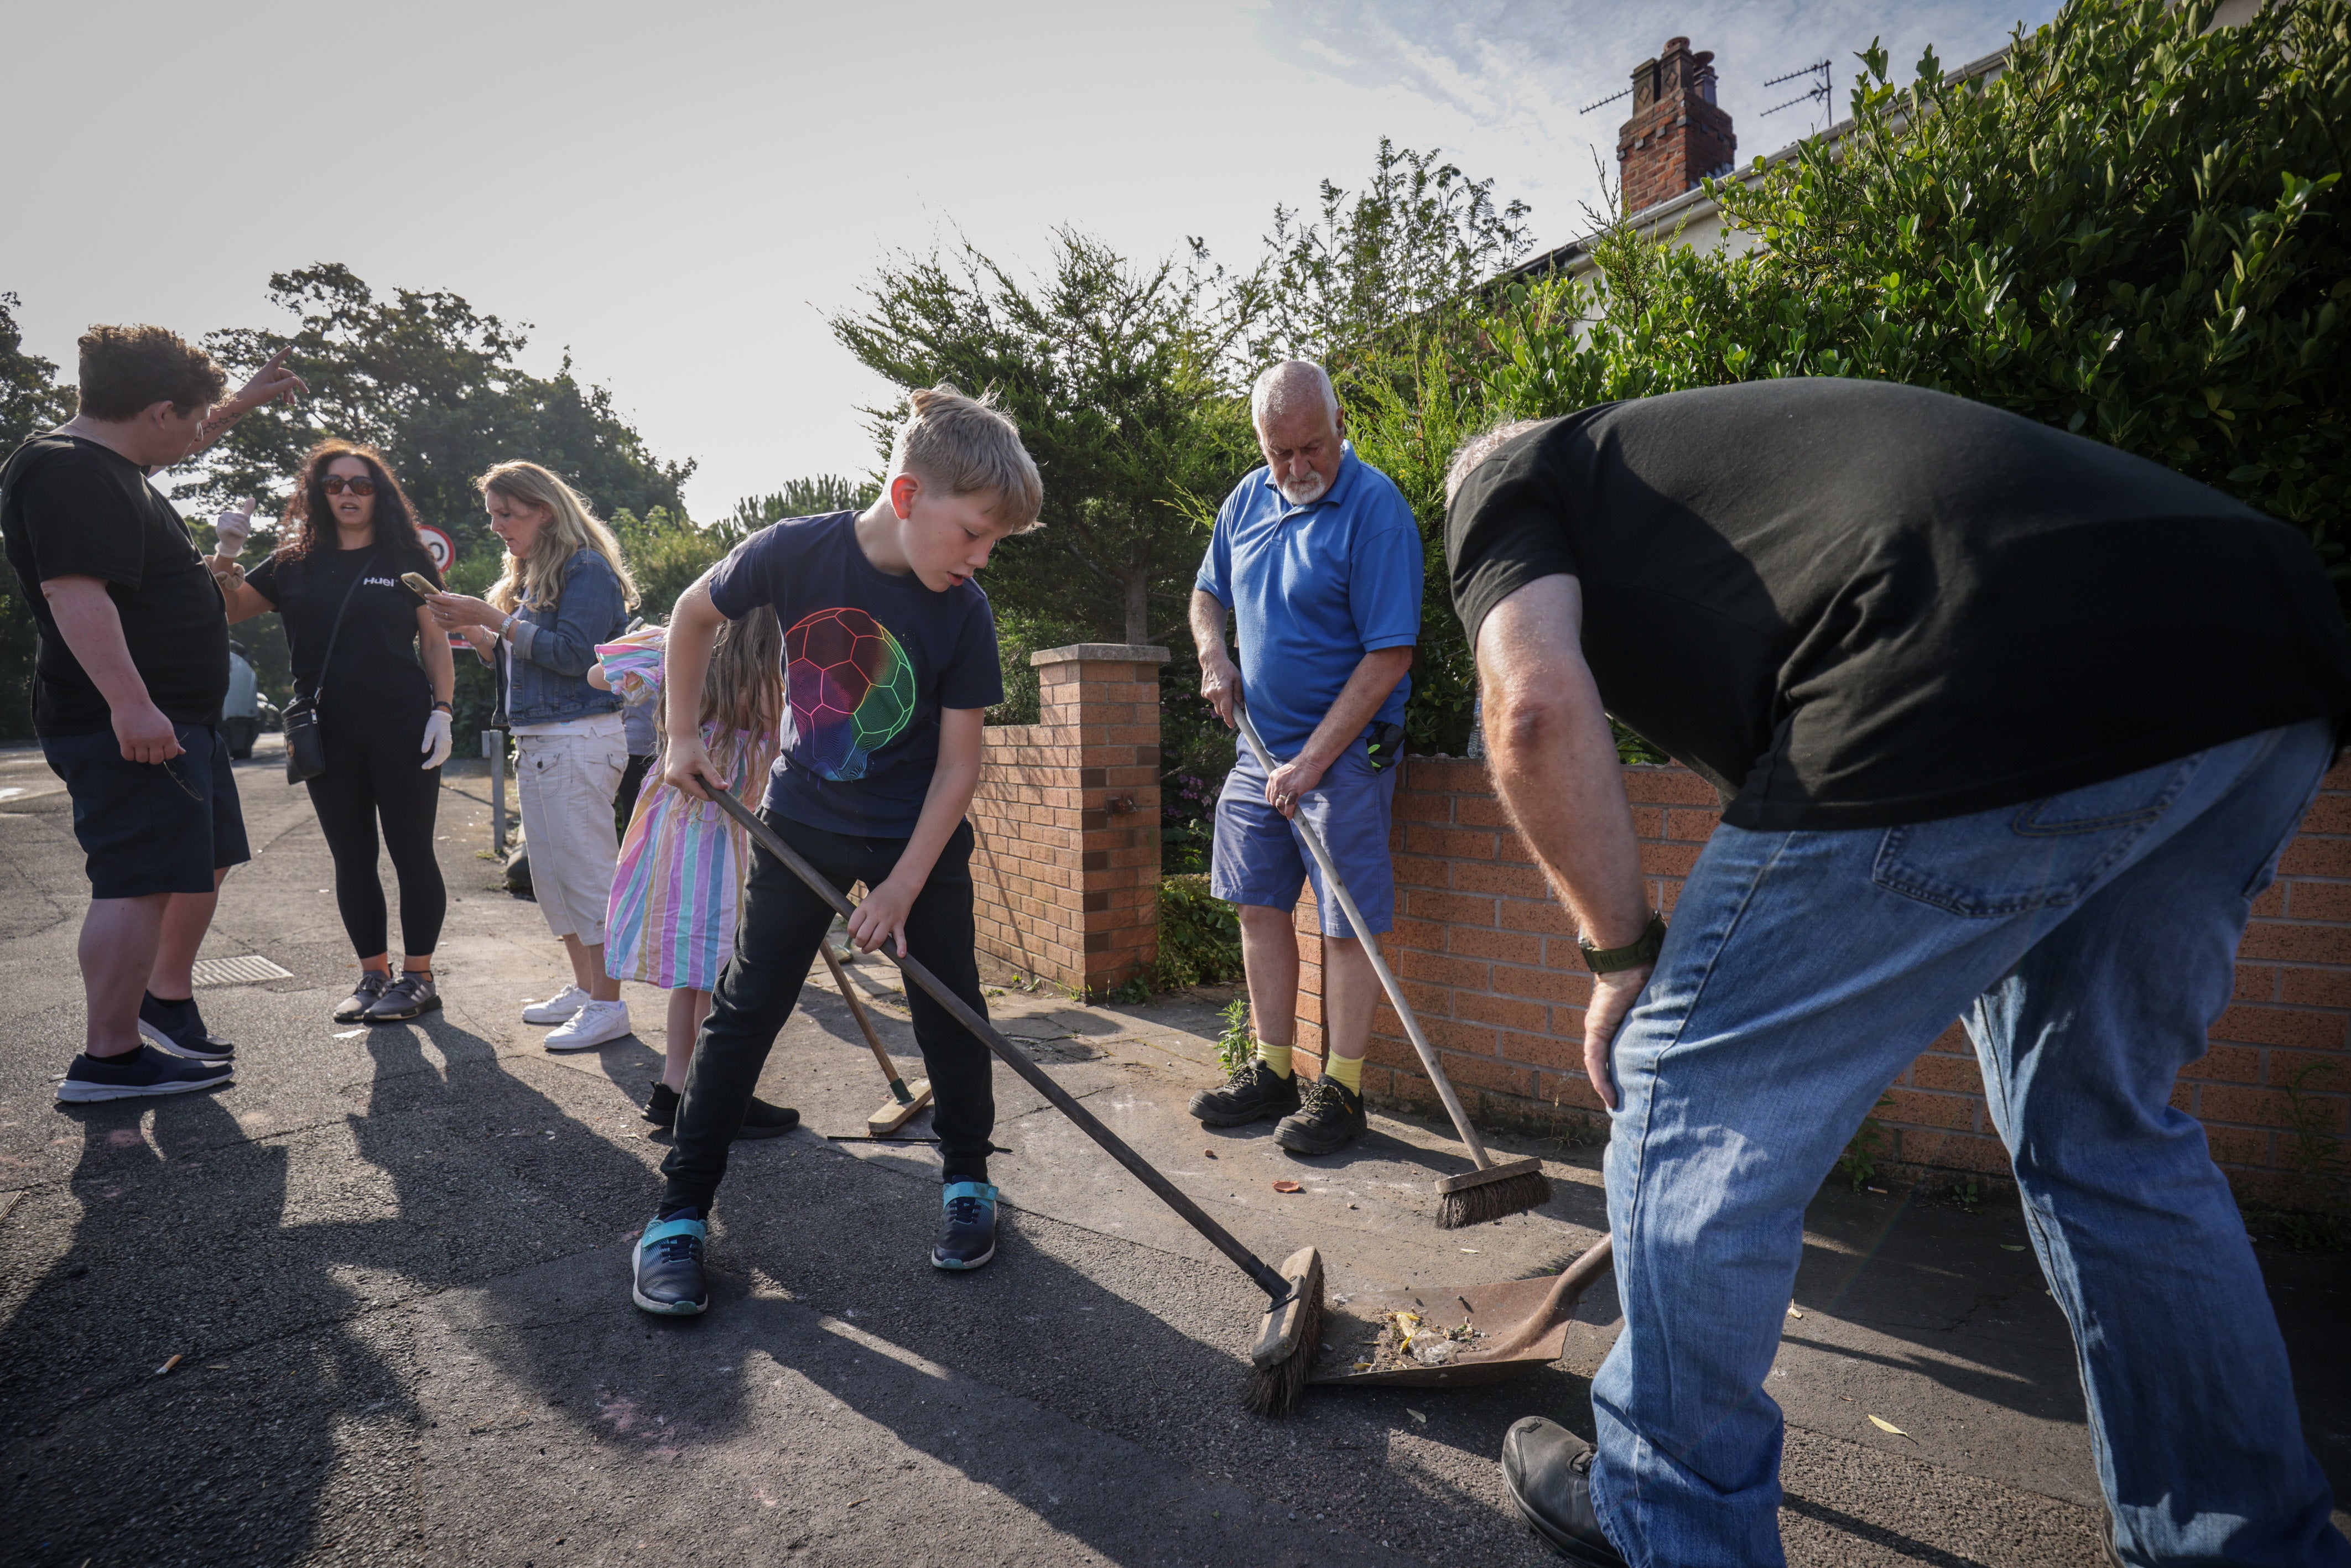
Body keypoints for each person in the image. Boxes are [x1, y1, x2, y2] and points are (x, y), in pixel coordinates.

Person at [1443, 378, 2351, 1568]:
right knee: (2109, 1137)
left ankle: (1667, 1519)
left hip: (1966, 655)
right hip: (2265, 656)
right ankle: (2241, 1548)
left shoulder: (1516, 477)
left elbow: (1530, 707)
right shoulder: (1731, 492)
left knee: (1680, 1082)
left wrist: (1621, 958)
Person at [629, 385, 1041, 1317]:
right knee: (749, 1008)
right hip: (805, 815)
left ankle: (969, 1182)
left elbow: (959, 767)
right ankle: (679, 1215)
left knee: (952, 1008)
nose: (982, 560)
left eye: (994, 545)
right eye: (975, 533)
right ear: (908, 497)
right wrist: (681, 735)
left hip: (915, 831)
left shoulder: (963, 611)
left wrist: (900, 886)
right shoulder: (796, 550)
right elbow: (695, 615)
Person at [0, 325, 303, 1102]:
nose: (202, 432)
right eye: (196, 416)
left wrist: (239, 404)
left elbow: (178, 438)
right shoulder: (70, 474)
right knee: (135, 881)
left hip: (179, 719)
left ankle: (158, 1007)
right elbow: (76, 592)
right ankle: (110, 1057)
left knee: (192, 864)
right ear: (160, 410)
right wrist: (131, 706)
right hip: (131, 723)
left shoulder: (110, 463)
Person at [1185, 360, 1421, 1155]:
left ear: (1339, 424)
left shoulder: (1375, 511)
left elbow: (1389, 655)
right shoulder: (1246, 502)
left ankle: (1344, 1089)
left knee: (1344, 921)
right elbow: (1205, 592)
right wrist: (1214, 654)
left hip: (1346, 753)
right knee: (1258, 905)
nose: (1295, 469)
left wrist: (1316, 761)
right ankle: (1273, 1070)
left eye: (1309, 448)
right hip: (1260, 747)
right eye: (1278, 453)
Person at [214, 441, 455, 1022]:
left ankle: (419, 977)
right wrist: (227, 552)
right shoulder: (292, 562)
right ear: (317, 493)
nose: (348, 493)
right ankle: (374, 976)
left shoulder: (406, 557)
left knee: (411, 852)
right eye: (335, 484)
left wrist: (443, 711)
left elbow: (434, 639)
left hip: (402, 723)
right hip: (325, 728)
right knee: (352, 856)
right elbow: (225, 610)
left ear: (380, 494)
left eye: (362, 484)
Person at [426, 462, 638, 1050]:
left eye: (507, 514)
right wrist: (480, 636)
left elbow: (573, 657)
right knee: (551, 877)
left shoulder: (585, 569)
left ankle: (608, 1004)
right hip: (546, 741)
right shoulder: (535, 571)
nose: (497, 526)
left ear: (544, 510)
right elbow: (529, 660)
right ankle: (585, 987)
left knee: (587, 874)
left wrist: (491, 617)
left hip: (579, 739)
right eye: (492, 513)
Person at [591, 616, 798, 1137]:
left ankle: (675, 1087)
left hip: (672, 828)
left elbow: (599, 674)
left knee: (696, 970)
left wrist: (663, 648)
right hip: (724, 839)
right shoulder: (778, 687)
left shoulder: (682, 649)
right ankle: (715, 1097)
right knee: (720, 972)